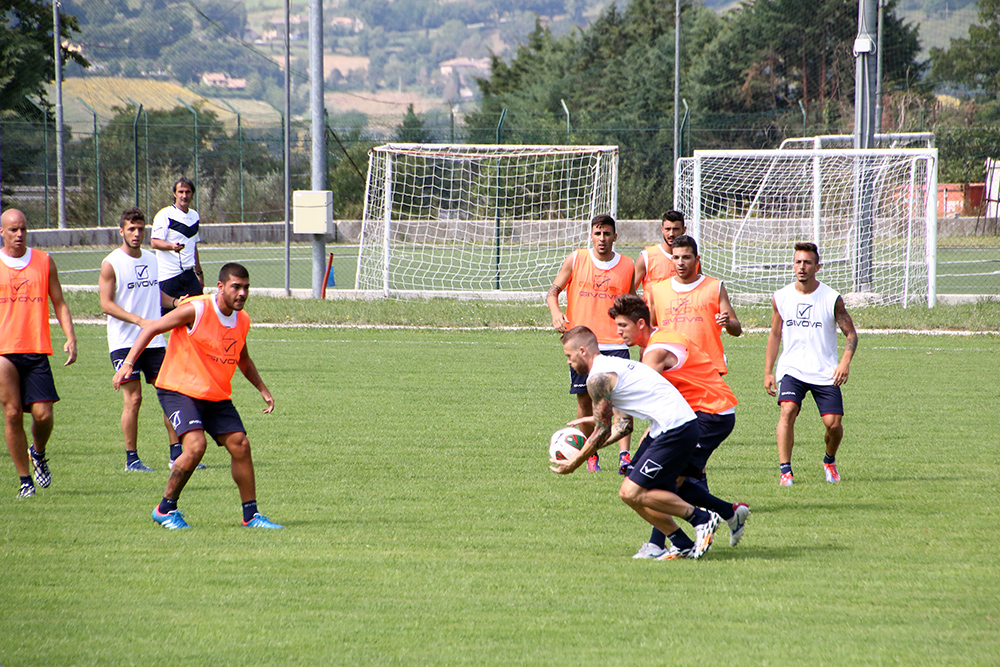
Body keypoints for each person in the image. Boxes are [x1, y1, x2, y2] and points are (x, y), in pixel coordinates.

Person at [112, 262, 282, 529]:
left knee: (240, 445)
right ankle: (165, 509)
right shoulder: (196, 309)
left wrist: (262, 388)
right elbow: (152, 328)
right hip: (179, 389)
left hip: (215, 393)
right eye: (236, 287)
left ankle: (251, 516)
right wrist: (129, 363)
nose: (242, 293)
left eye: (246, 288)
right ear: (221, 286)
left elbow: (243, 359)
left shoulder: (242, 319)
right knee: (195, 446)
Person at [551, 326, 721, 560]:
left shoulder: (597, 378)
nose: (568, 362)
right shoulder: (611, 367)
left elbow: (601, 432)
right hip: (667, 427)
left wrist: (576, 461)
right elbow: (623, 426)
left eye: (568, 356)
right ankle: (681, 543)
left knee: (633, 492)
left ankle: (702, 518)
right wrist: (592, 436)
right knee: (631, 492)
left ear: (582, 351)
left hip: (676, 428)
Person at [609, 294, 749, 559]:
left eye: (623, 326)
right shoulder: (656, 339)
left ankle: (661, 544)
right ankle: (730, 513)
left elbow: (639, 392)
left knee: (658, 483)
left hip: (709, 413)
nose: (618, 332)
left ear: (640, 323)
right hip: (686, 416)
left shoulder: (656, 351)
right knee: (660, 481)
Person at [99, 207, 188, 472]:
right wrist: (139, 321)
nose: (137, 234)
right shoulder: (111, 263)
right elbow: (106, 304)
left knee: (170, 394)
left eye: (140, 229)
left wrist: (174, 302)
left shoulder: (151, 259)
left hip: (155, 342)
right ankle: (132, 459)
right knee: (134, 398)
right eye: (131, 229)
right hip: (123, 342)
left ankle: (176, 455)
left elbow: (154, 292)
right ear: (121, 231)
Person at [546, 214, 635, 473]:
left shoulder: (627, 265)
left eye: (607, 233)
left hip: (614, 342)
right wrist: (556, 313)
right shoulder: (576, 259)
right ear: (591, 235)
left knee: (620, 402)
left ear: (615, 237)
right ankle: (590, 455)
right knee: (585, 401)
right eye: (597, 233)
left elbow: (629, 303)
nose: (602, 239)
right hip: (582, 344)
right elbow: (553, 292)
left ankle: (625, 457)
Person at [764, 242, 858, 486]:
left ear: (817, 266)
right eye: (797, 262)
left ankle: (829, 460)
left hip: (825, 370)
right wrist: (768, 371)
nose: (801, 267)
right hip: (792, 369)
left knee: (834, 424)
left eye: (807, 262)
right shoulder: (781, 297)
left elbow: (851, 335)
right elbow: (775, 334)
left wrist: (844, 363)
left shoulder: (831, 298)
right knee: (787, 410)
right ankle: (786, 471)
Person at [0, 208, 76, 498]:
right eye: (13, 230)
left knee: (43, 415)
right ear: (2, 232)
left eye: (23, 229)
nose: (19, 234)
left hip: (35, 348)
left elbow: (59, 301)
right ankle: (25, 482)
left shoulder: (44, 261)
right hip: (3, 350)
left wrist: (70, 337)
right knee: (12, 413)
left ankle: (38, 452)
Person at [648, 235, 741, 375]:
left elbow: (737, 329)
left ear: (696, 259)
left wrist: (728, 323)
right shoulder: (658, 290)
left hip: (708, 366)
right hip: (672, 368)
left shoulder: (714, 287)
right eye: (676, 258)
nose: (680, 262)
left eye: (686, 257)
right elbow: (650, 330)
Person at [152, 177, 204, 312]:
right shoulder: (165, 214)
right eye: (181, 192)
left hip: (189, 275)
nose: (184, 195)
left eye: (187, 192)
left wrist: (199, 273)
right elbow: (154, 242)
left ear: (192, 194)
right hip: (169, 276)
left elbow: (194, 247)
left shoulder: (194, 216)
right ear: (175, 194)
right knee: (161, 320)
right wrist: (171, 247)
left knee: (199, 313)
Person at [632, 211, 686, 297]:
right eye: (667, 229)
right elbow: (630, 290)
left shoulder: (691, 258)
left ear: (684, 230)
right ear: (662, 229)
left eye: (675, 229)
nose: (671, 234)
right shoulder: (647, 256)